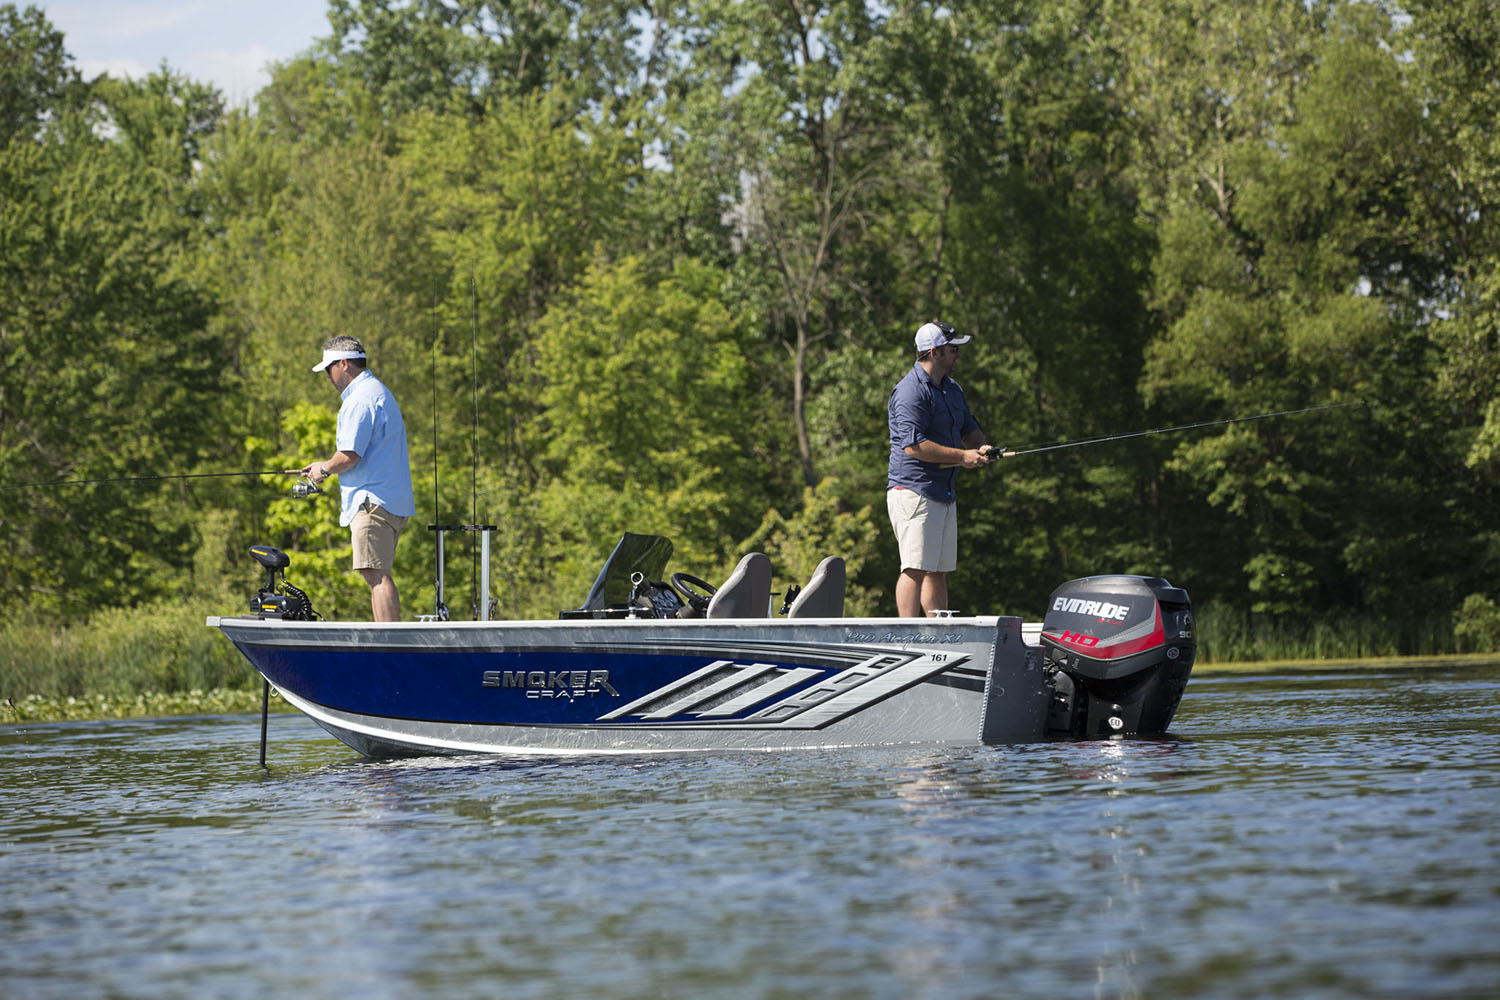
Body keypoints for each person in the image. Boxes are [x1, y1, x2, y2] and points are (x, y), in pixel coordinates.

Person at [294, 335, 416, 622]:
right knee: (376, 573)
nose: (328, 376)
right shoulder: (377, 391)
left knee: (376, 574)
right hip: (388, 501)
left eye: (329, 368)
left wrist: (323, 470)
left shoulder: (360, 400)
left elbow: (349, 455)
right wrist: (324, 466)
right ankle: (389, 644)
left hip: (371, 503)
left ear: (344, 364)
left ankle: (390, 648)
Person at [887, 320, 995, 617]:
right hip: (913, 492)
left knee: (939, 570)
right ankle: (909, 639)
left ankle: (938, 634)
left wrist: (981, 447)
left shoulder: (951, 389)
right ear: (935, 353)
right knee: (915, 568)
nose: (958, 354)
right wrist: (963, 457)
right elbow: (914, 446)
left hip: (943, 492)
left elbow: (969, 428)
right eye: (953, 349)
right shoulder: (909, 391)